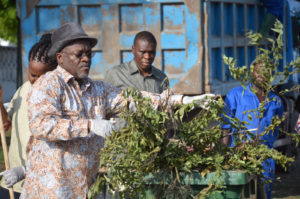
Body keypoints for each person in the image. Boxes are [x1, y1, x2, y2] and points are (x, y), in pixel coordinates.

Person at [19, 22, 213, 199]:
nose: (86, 59)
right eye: (79, 54)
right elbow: (42, 125)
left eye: (89, 54)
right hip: (52, 190)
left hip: (84, 188)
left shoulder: (97, 89)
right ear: (60, 58)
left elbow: (137, 100)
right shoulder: (48, 85)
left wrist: (184, 100)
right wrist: (89, 125)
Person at [0, 33, 57, 198]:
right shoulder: (23, 89)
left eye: (43, 76)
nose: (36, 81)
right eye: (33, 75)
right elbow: (7, 127)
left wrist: (25, 171)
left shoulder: (61, 98)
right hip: (13, 184)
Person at [222, 59, 284, 199]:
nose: (261, 75)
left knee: (264, 194)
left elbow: (275, 129)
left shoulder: (276, 101)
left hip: (264, 156)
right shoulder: (236, 95)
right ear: (252, 73)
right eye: (258, 71)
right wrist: (225, 154)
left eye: (265, 72)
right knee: (240, 193)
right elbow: (225, 128)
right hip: (238, 155)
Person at [104, 31, 168, 94]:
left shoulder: (162, 78)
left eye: (151, 52)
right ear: (133, 50)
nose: (147, 57)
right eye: (142, 52)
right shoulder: (115, 74)